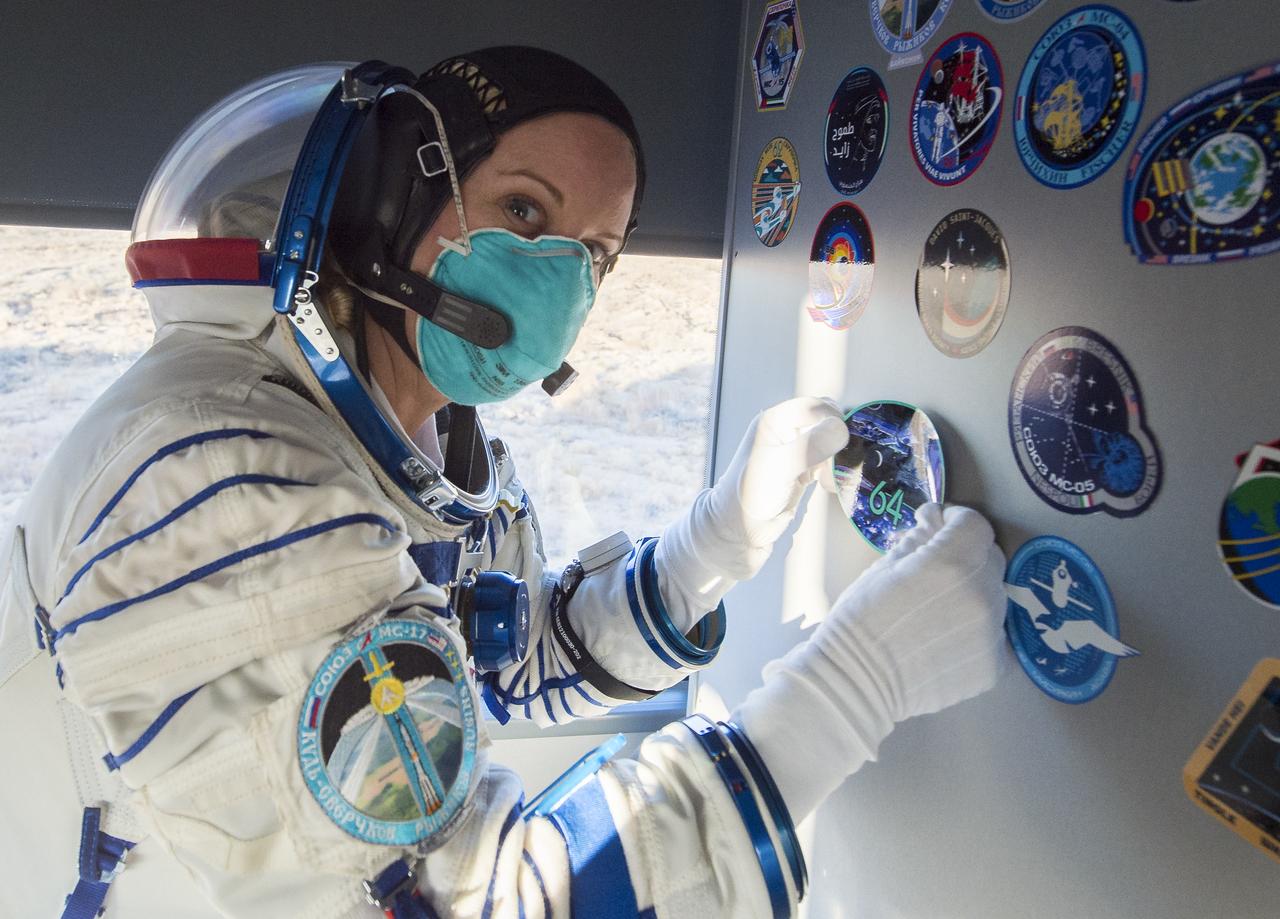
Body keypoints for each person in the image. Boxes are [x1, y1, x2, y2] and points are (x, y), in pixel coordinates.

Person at [0, 49, 1008, 918]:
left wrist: (702, 557)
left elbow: (484, 666)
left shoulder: (433, 449)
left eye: (594, 254)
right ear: (395, 199)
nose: (559, 276)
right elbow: (450, 898)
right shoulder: (210, 472)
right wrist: (841, 698)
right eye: (523, 209)